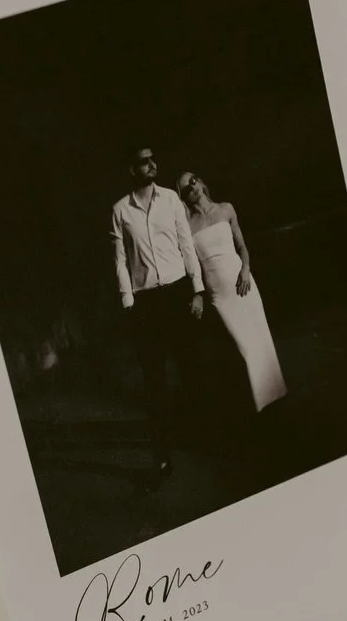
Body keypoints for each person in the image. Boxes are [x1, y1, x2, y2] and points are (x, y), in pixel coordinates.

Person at [110, 144, 205, 483]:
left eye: (153, 160)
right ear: (132, 169)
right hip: (146, 303)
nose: (151, 165)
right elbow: (120, 260)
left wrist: (197, 290)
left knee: (191, 370)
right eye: (143, 161)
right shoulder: (120, 210)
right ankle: (162, 459)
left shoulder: (171, 199)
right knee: (154, 383)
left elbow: (186, 245)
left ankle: (203, 440)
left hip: (178, 294)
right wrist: (129, 303)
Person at [178, 172, 286, 412]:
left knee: (260, 339)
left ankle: (275, 399)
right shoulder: (187, 226)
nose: (192, 188)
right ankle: (254, 405)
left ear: (201, 182)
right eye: (186, 189)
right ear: (183, 197)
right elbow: (192, 266)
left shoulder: (226, 209)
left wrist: (246, 269)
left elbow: (242, 247)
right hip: (218, 292)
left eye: (193, 181)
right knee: (244, 347)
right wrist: (198, 294)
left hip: (243, 283)